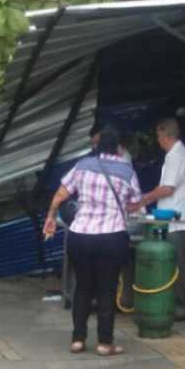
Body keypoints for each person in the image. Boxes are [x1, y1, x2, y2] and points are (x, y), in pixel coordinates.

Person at [43, 124, 141, 356]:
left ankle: (78, 339)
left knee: (83, 287)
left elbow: (60, 195)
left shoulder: (82, 166)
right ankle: (104, 343)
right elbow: (134, 203)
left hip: (80, 236)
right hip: (111, 237)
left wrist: (50, 218)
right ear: (118, 148)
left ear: (97, 145)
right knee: (107, 289)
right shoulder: (126, 171)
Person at [133, 118, 185, 321]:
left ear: (166, 135)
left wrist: (144, 198)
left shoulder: (176, 156)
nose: (158, 141)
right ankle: (174, 304)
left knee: (176, 263)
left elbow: (167, 188)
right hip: (173, 217)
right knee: (173, 262)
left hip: (177, 219)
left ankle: (181, 306)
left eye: (159, 136)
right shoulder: (177, 154)